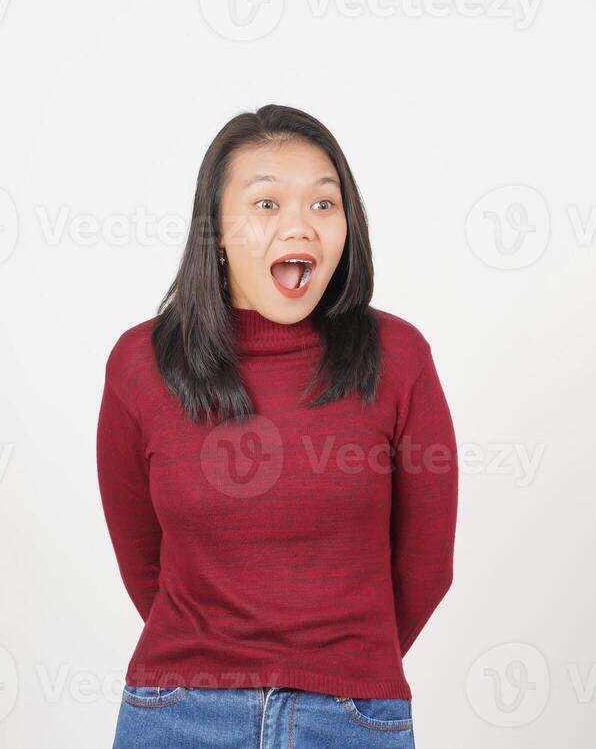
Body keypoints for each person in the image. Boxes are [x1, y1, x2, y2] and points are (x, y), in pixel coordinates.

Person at [97, 104, 458, 747]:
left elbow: (426, 566)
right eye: (267, 205)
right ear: (217, 227)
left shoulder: (399, 358)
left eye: (324, 205)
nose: (301, 226)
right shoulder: (141, 364)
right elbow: (140, 560)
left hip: (351, 718)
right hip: (177, 715)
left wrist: (342, 663)